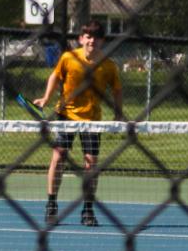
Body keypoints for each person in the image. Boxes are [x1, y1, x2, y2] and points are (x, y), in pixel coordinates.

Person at [34, 20, 123, 228]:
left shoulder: (109, 66)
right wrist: (46, 98)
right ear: (81, 39)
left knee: (91, 164)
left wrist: (118, 114)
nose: (92, 40)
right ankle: (51, 204)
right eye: (88, 36)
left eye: (96, 37)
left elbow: (117, 90)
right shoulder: (68, 58)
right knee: (58, 158)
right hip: (66, 116)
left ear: (102, 41)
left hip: (92, 120)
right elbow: (55, 76)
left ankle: (88, 210)